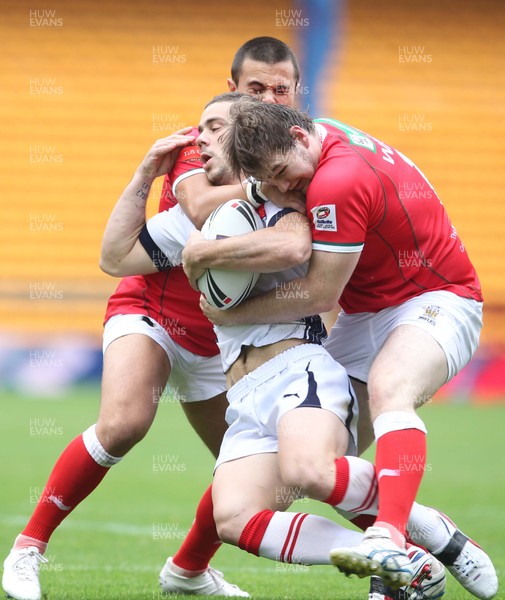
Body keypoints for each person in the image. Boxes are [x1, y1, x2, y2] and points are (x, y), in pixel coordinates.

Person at [99, 91, 447, 598]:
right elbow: (115, 256)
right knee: (235, 518)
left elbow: (294, 245)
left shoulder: (283, 198)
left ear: (248, 137)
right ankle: (404, 556)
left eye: (216, 127)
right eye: (199, 130)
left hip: (296, 371)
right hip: (242, 391)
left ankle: (427, 537)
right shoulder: (207, 217)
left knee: (307, 472)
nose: (203, 139)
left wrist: (204, 252)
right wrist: (143, 176)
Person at [2, 37, 302, 600]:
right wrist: (285, 189)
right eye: (255, 87)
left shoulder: (303, 149)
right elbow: (196, 207)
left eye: (279, 88)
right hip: (154, 310)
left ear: (295, 92)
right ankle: (27, 551)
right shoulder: (205, 142)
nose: (267, 97)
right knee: (124, 423)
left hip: (224, 340)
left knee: (263, 477)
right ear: (233, 87)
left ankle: (188, 570)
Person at [183, 96, 497, 599]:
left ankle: (391, 540)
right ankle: (431, 544)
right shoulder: (310, 138)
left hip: (436, 298)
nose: (286, 189)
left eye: (285, 173)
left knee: (390, 389)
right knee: (315, 469)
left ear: (301, 138)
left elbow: (318, 294)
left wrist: (225, 309)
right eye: (272, 180)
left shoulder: (336, 180)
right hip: (366, 312)